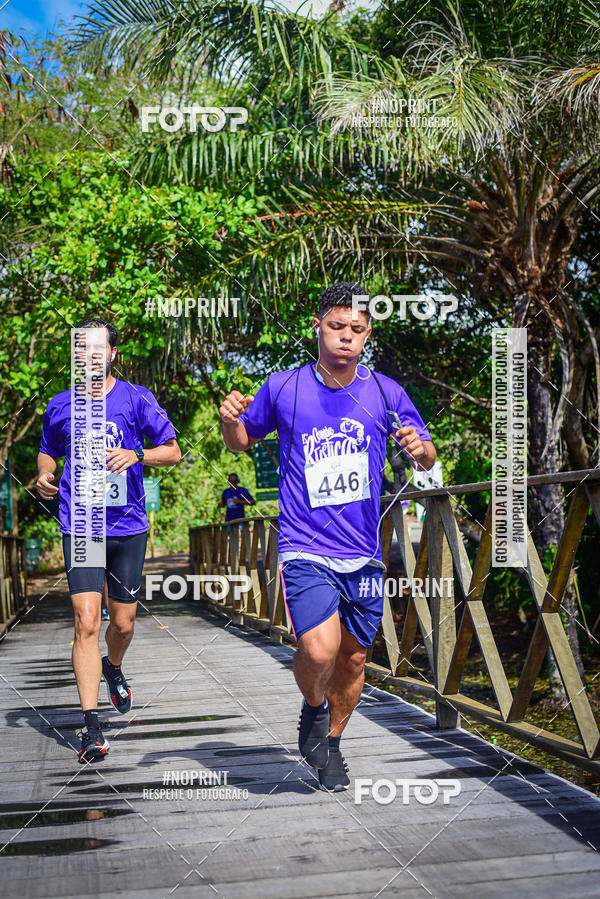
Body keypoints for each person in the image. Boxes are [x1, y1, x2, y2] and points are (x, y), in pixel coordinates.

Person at [219, 283, 436, 791]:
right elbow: (240, 442)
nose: (346, 338)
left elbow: (427, 457)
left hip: (363, 551)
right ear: (318, 326)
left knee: (355, 657)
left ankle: (333, 744)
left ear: (367, 336)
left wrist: (417, 446)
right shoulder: (284, 387)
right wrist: (228, 419)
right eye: (337, 327)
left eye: (356, 330)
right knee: (318, 652)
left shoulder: (385, 392)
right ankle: (313, 710)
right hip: (304, 544)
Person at [36, 318, 181, 764]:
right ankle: (91, 727)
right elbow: (48, 448)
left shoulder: (135, 399)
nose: (91, 356)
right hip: (81, 524)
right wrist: (44, 473)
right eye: (83, 350)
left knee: (121, 625)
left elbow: (173, 451)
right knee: (86, 622)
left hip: (128, 527)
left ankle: (114, 668)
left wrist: (137, 454)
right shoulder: (60, 406)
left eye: (99, 349)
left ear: (113, 353)